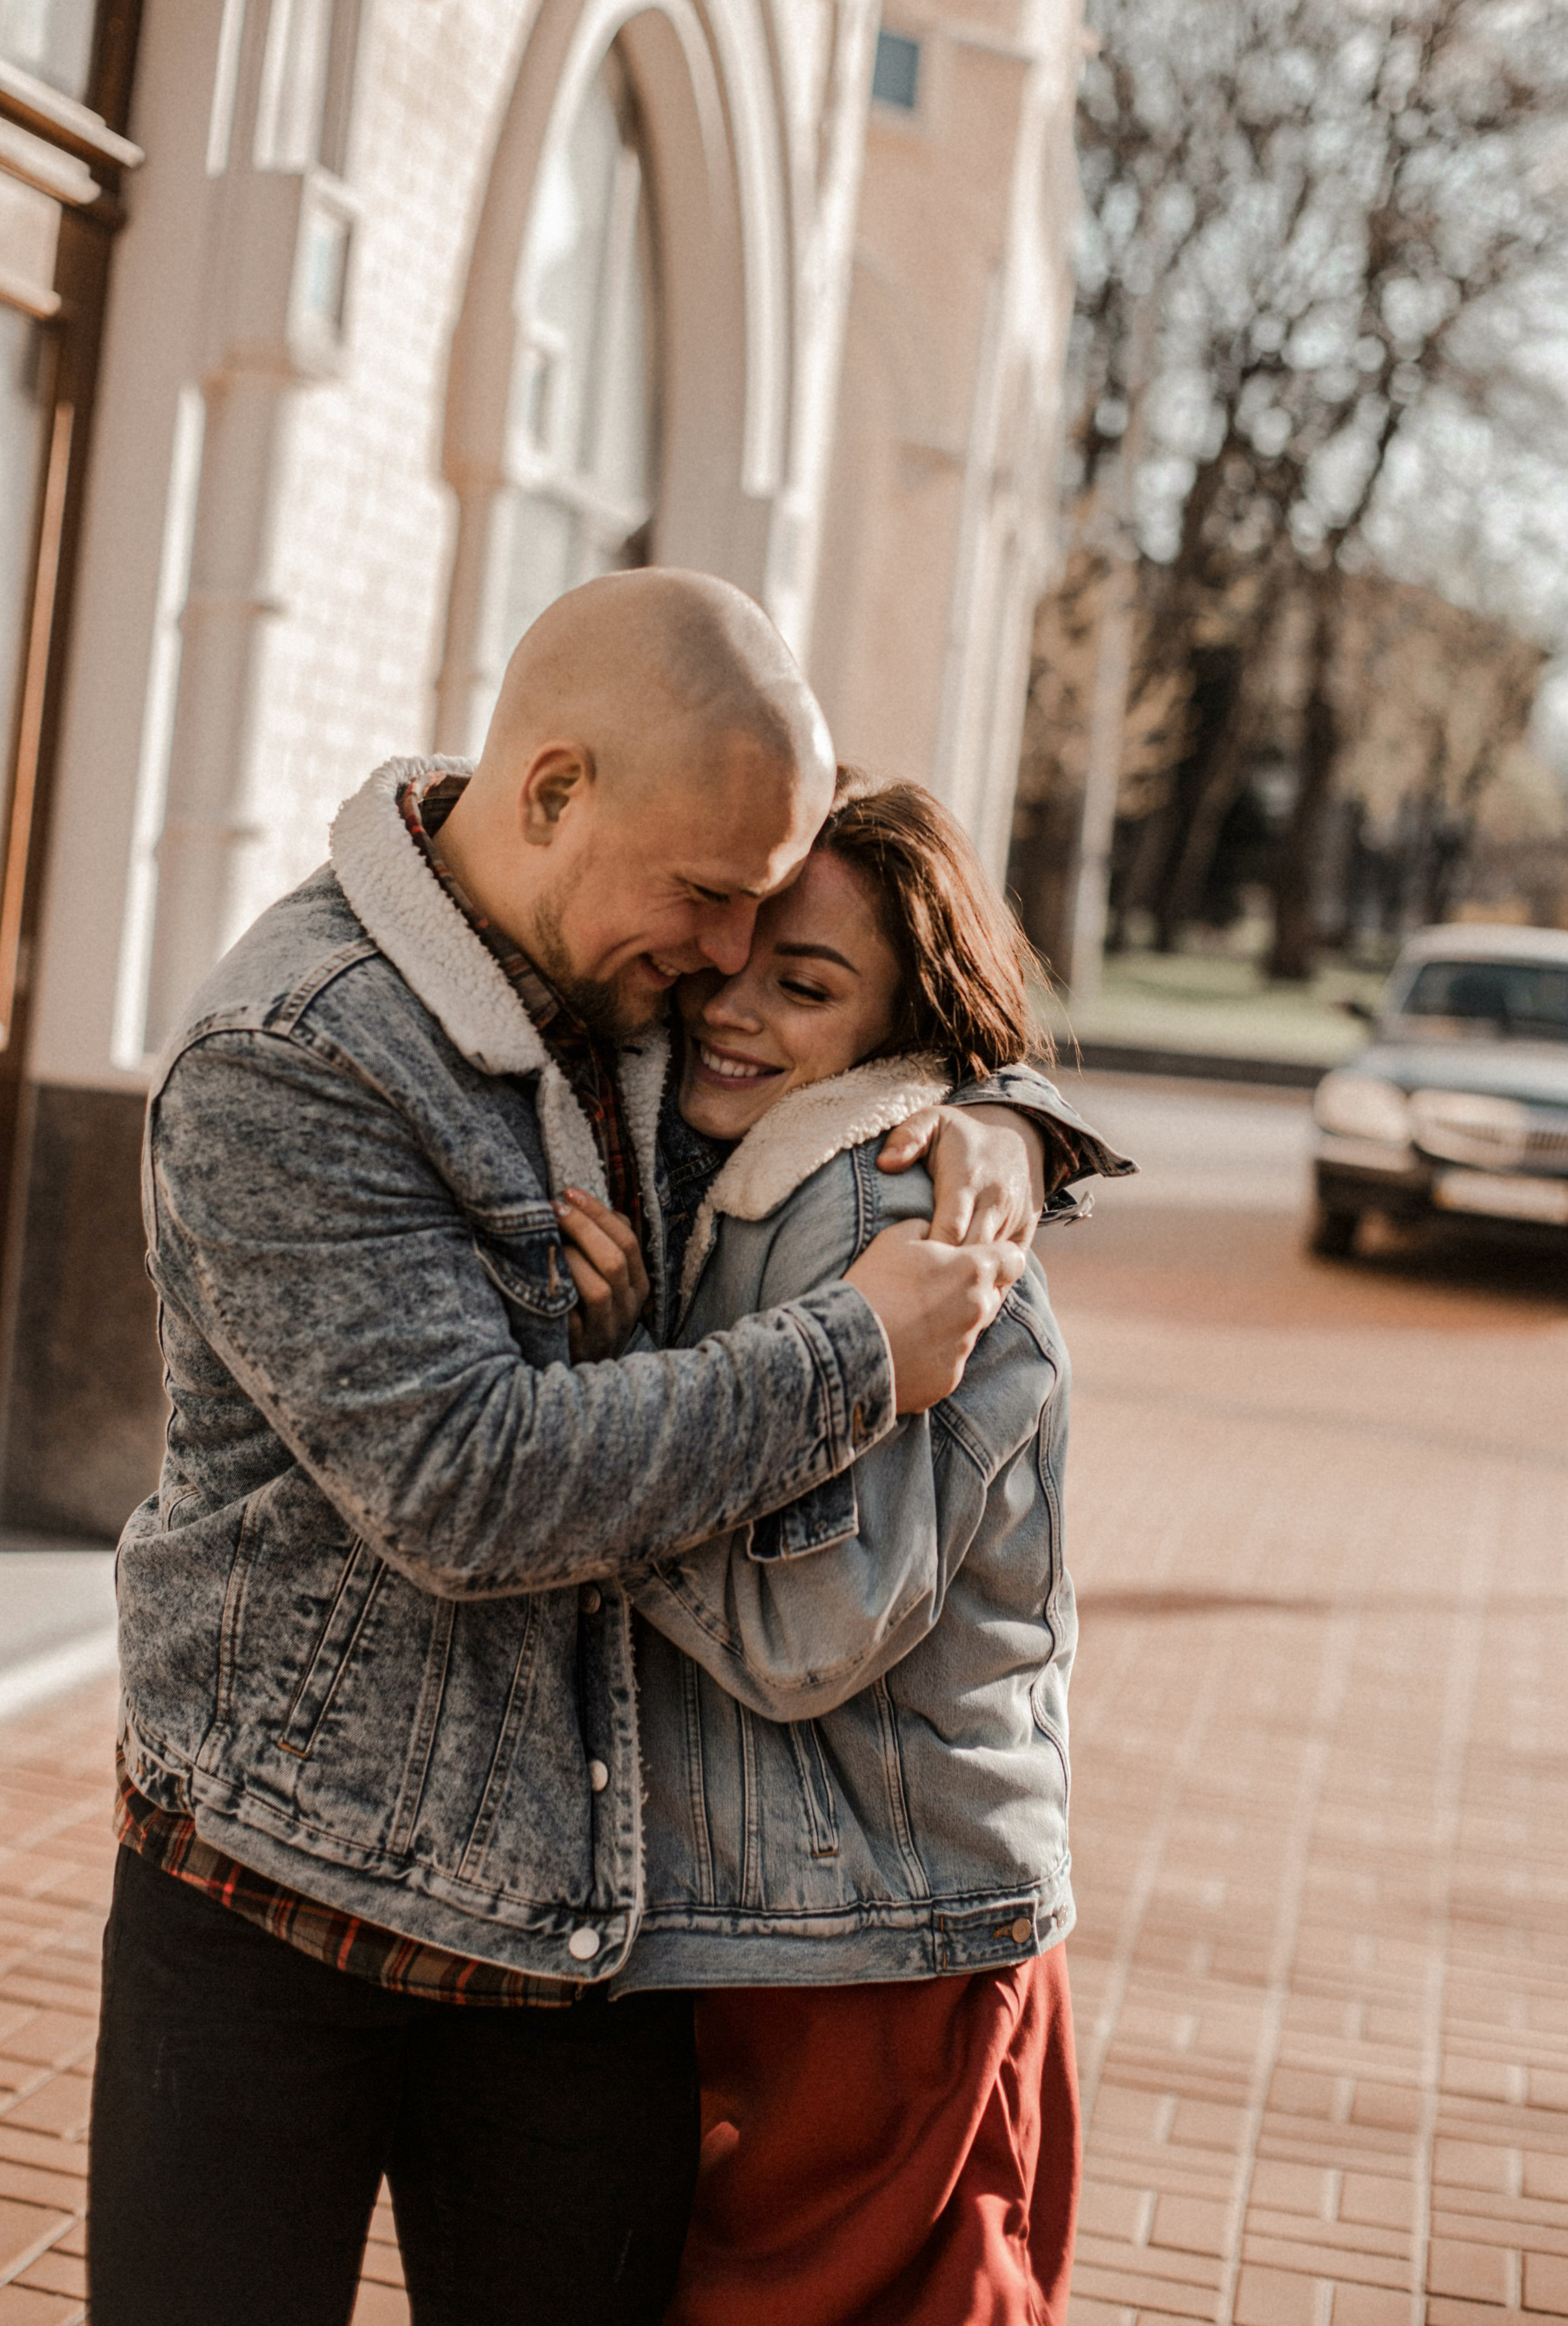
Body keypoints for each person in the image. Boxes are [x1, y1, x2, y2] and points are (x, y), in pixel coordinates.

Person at [88, 570, 1115, 2326]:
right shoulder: (297, 1053)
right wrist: (856, 1351)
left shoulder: (630, 975)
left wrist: (976, 1111)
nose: (725, 958)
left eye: (753, 913)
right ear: (555, 789)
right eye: (712, 897)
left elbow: (833, 1056)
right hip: (278, 1910)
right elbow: (466, 1487)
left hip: (588, 1950)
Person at [555, 774, 1122, 2325]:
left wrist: (597, 1441)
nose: (730, 1012)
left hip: (888, 1936)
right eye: (722, 962)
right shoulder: (742, 1164)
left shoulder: (879, 1201)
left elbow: (813, 1628)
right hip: (800, 1915)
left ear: (902, 1026)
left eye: (803, 987)